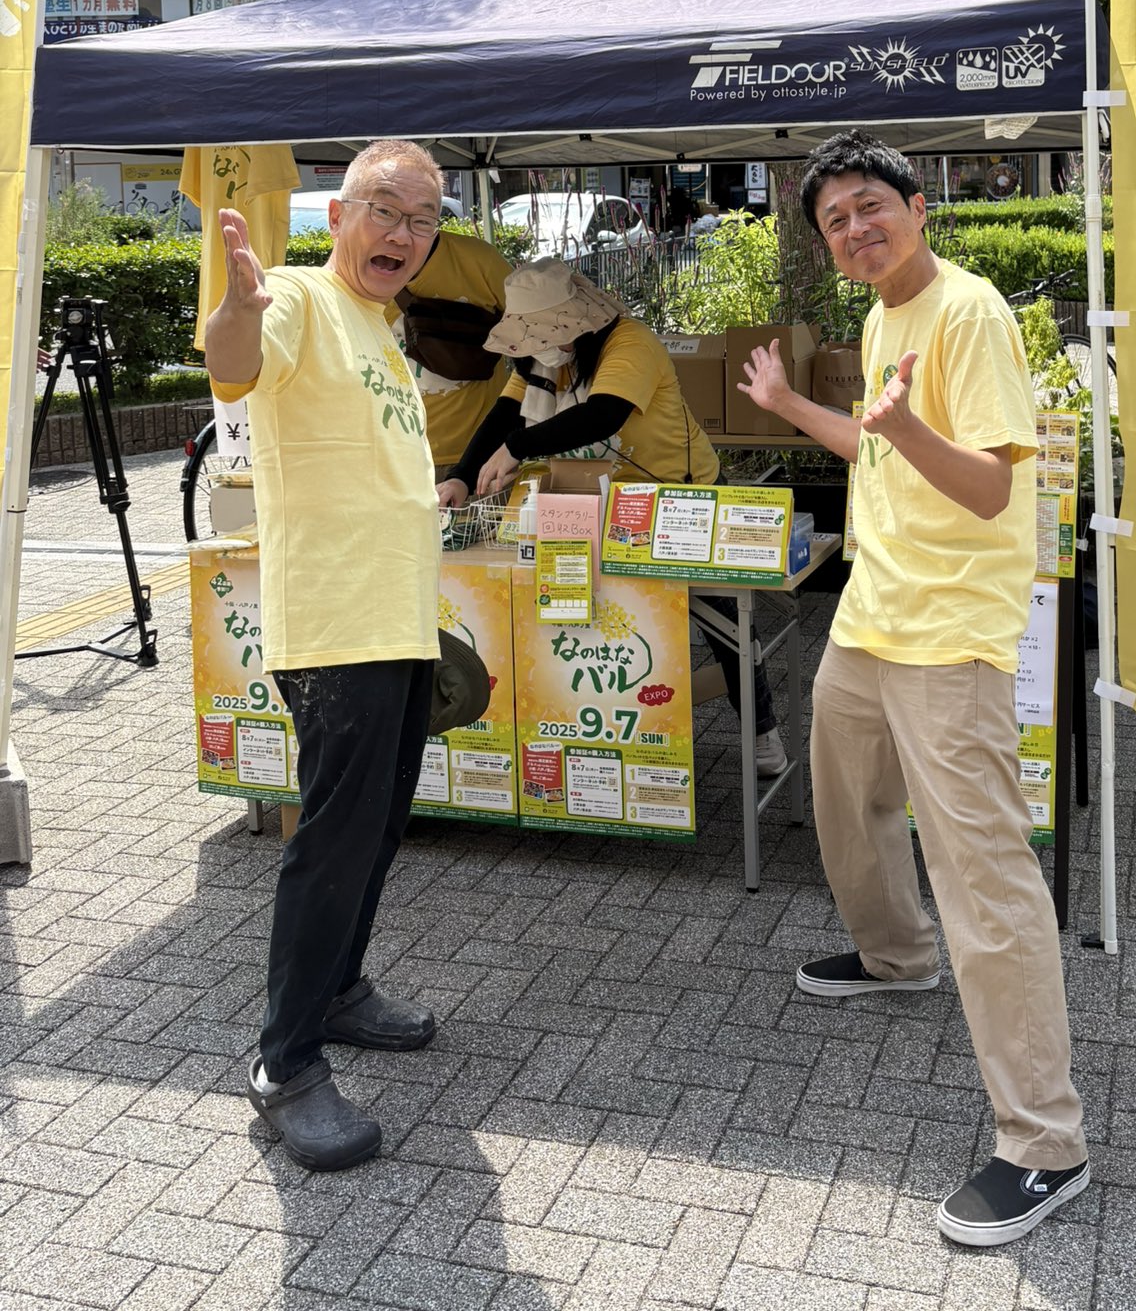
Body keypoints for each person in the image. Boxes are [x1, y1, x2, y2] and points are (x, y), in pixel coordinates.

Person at [736, 130, 1088, 1248]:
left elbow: (988, 487)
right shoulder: (886, 315)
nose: (855, 228)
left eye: (869, 206)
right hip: (873, 615)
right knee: (845, 800)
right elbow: (877, 450)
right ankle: (896, 955)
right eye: (834, 219)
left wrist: (907, 426)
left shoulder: (967, 313)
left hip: (950, 637)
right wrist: (793, 404)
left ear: (917, 204)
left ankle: (1046, 1144)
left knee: (983, 876)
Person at [205, 138, 445, 1173]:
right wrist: (238, 305)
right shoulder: (299, 296)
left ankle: (339, 990)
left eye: (423, 218)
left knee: (378, 829)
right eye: (386, 209)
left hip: (398, 618)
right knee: (333, 842)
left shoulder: (380, 324)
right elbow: (233, 362)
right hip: (339, 626)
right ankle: (285, 1064)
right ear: (338, 214)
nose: (404, 233)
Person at [437, 258, 787, 774]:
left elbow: (603, 414)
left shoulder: (630, 342)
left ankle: (761, 730)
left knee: (724, 621)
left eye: (545, 331)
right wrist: (462, 477)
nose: (540, 344)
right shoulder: (542, 358)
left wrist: (516, 448)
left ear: (578, 321)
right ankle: (602, 727)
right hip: (591, 503)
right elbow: (505, 414)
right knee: (592, 616)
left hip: (674, 500)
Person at [390, 226, 511, 474]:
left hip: (483, 453)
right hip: (398, 456)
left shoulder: (479, 260)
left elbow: (533, 329)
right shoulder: (358, 274)